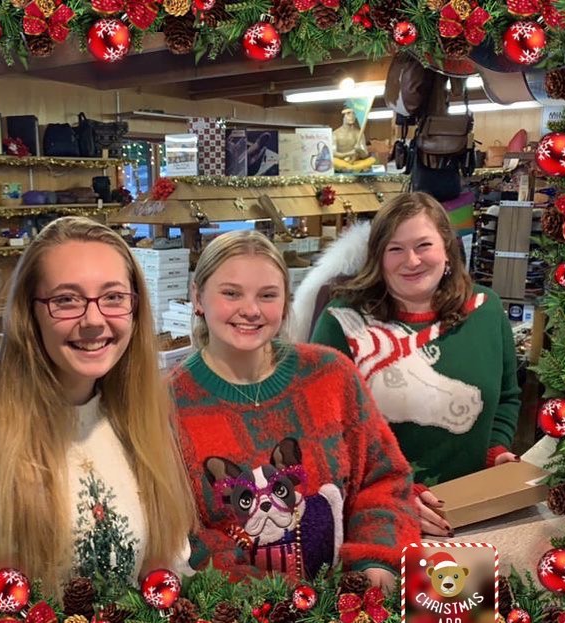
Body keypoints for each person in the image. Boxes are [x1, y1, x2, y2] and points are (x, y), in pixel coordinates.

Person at [0, 217, 198, 593]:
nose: (93, 320)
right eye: (66, 300)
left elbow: (174, 572)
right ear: (29, 314)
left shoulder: (141, 425)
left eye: (113, 297)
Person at [169, 230, 418, 591]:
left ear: (286, 302)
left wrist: (375, 558)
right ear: (197, 297)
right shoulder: (169, 405)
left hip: (354, 602)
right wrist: (277, 599)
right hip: (242, 611)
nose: (251, 310)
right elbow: (183, 535)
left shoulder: (331, 375)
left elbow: (385, 478)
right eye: (231, 293)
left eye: (267, 295)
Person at [310, 192, 521, 537]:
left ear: (447, 249)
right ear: (378, 257)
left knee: (476, 576)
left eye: (424, 245)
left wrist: (494, 451)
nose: (411, 260)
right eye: (395, 249)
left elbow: (508, 397)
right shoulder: (342, 322)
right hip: (376, 521)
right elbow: (321, 431)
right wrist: (390, 493)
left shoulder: (486, 309)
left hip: (473, 511)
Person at [333, 108, 375, 172]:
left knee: (372, 160)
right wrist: (349, 153)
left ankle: (352, 168)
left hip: (356, 162)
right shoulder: (335, 133)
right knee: (333, 161)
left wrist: (360, 150)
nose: (351, 116)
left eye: (353, 114)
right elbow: (333, 153)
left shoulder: (359, 133)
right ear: (343, 118)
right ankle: (349, 168)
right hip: (341, 162)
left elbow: (365, 155)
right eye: (348, 114)